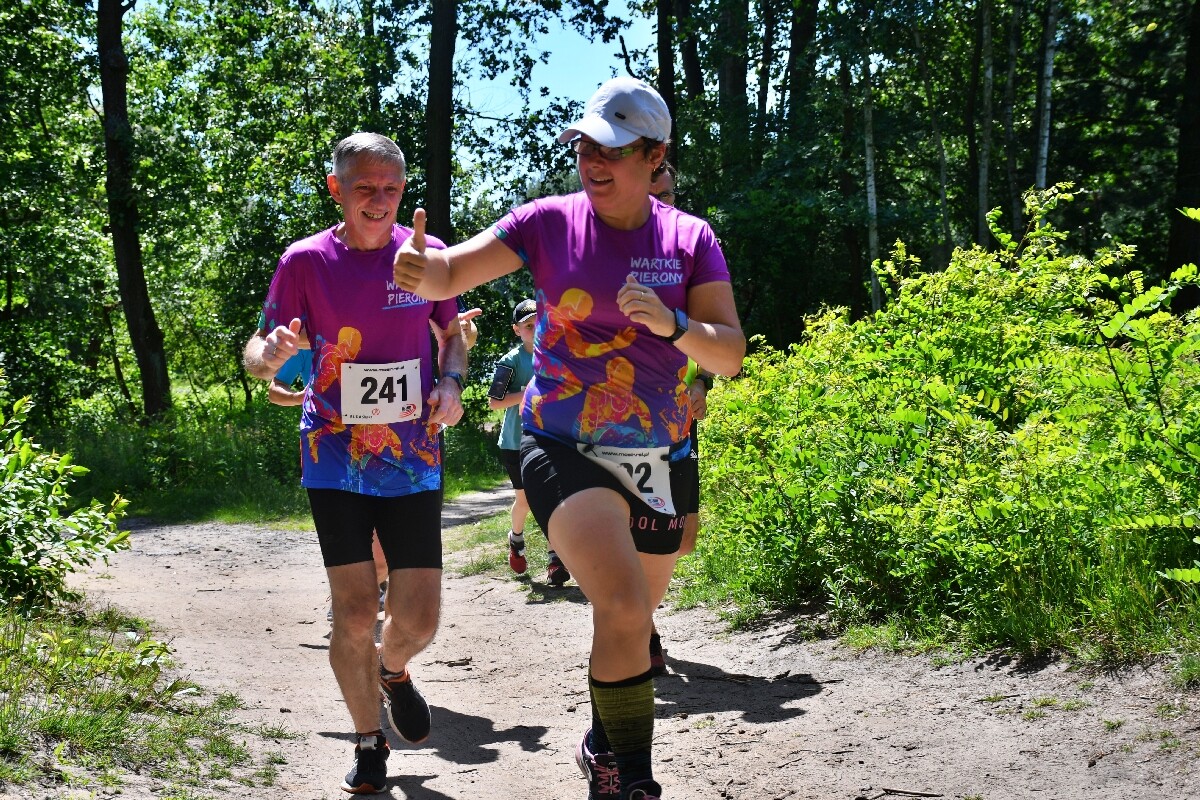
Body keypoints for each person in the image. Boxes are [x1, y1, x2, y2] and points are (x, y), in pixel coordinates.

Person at [393, 77, 745, 800]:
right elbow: (454, 267)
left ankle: (600, 743)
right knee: (619, 606)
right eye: (586, 145)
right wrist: (426, 273)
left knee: (632, 620)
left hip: (657, 454)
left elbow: (730, 354)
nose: (593, 161)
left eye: (613, 149)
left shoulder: (690, 238)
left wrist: (675, 327)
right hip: (562, 445)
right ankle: (632, 778)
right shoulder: (547, 222)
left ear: (655, 157)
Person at [243, 132, 467, 796]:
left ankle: (394, 670)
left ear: (404, 192)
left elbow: (452, 338)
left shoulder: (427, 259)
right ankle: (370, 744)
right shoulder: (305, 261)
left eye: (391, 189)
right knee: (353, 608)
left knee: (419, 617)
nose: (378, 201)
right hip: (334, 454)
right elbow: (259, 350)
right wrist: (271, 355)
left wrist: (452, 386)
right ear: (337, 188)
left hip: (412, 455)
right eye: (364, 187)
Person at [644, 163, 711, 676]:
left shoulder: (687, 249)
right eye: (656, 195)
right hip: (623, 433)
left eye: (670, 194)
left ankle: (633, 621)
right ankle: (637, 633)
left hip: (679, 427)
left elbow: (713, 329)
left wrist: (701, 380)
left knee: (682, 540)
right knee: (636, 539)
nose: (666, 204)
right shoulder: (612, 254)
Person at [488, 298, 571, 585]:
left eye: (540, 324)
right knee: (524, 501)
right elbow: (493, 402)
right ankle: (516, 540)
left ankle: (555, 560)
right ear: (516, 330)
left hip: (551, 439)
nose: (535, 330)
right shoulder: (510, 362)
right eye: (528, 326)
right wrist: (527, 393)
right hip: (514, 442)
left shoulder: (558, 355)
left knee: (552, 500)